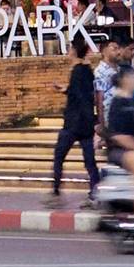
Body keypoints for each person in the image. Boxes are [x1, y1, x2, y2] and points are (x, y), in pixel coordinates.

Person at [43, 36, 99, 209]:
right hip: (86, 124)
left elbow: (81, 96)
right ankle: (94, 193)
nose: (68, 52)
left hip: (74, 123)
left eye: (69, 49)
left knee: (59, 156)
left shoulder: (77, 71)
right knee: (89, 161)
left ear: (74, 51)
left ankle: (56, 191)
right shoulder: (87, 71)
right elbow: (82, 93)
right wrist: (65, 89)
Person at [105, 64, 134, 213]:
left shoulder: (132, 101)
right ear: (126, 80)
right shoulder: (118, 102)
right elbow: (120, 137)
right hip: (120, 150)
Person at [93, 36, 122, 125]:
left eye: (118, 49)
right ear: (104, 51)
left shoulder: (119, 69)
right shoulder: (100, 72)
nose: (118, 52)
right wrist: (102, 123)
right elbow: (99, 100)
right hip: (109, 120)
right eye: (114, 49)